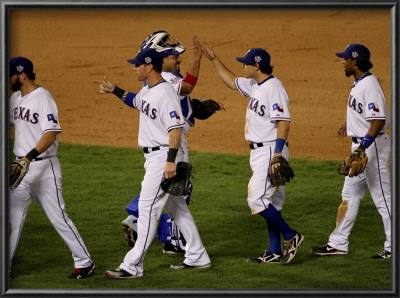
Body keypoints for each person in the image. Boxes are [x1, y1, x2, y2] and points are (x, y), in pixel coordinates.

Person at [95, 31, 205, 255]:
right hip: (168, 148)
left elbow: (145, 102)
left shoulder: (155, 86)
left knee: (170, 201)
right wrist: (198, 58)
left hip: (165, 148)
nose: (178, 60)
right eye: (174, 57)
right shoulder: (164, 82)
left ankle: (183, 252)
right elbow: (185, 88)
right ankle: (175, 247)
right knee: (173, 201)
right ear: (160, 60)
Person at [199, 43, 303, 264]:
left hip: (270, 149)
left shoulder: (274, 88)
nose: (242, 67)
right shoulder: (256, 84)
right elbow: (232, 81)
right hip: (260, 152)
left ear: (257, 65)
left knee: (256, 199)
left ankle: (291, 235)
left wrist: (277, 156)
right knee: (271, 203)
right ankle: (274, 252)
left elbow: (284, 123)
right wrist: (214, 59)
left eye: (245, 64)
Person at [8, 56, 95, 279]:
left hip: (44, 167)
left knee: (59, 217)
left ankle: (84, 263)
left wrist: (27, 158)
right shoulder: (14, 99)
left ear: (23, 74)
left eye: (11, 75)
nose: (8, 79)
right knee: (11, 218)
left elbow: (51, 133)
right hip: (20, 170)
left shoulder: (43, 98)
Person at [311, 44, 391, 259]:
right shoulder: (360, 83)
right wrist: (350, 123)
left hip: (370, 146)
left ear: (354, 62)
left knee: (383, 199)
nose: (342, 62)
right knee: (350, 195)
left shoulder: (369, 84)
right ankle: (338, 244)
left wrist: (362, 148)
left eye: (344, 59)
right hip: (362, 146)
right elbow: (366, 112)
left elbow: (378, 119)